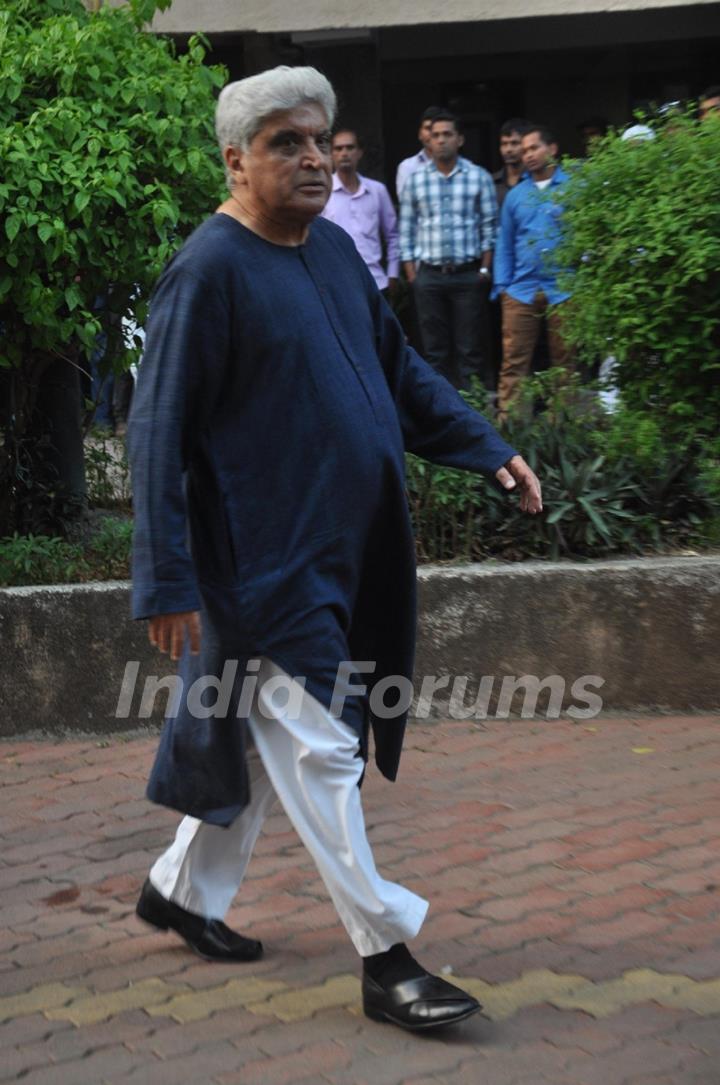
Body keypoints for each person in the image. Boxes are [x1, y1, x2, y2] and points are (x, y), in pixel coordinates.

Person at [128, 65, 542, 1035]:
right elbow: (156, 431)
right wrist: (165, 578)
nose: (313, 157)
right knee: (321, 749)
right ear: (236, 160)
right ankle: (386, 956)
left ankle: (178, 889)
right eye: (285, 142)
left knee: (279, 747)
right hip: (262, 565)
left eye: (320, 138)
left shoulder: (329, 256)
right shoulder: (209, 269)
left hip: (348, 551)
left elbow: (401, 376)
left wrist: (491, 448)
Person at [399, 111, 497, 391]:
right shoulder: (416, 180)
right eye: (436, 135)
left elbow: (490, 228)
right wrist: (413, 276)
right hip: (429, 277)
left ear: (460, 139)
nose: (441, 140)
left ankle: (473, 412)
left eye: (447, 134)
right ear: (429, 140)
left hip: (468, 276)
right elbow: (407, 229)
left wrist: (484, 269)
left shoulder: (479, 177)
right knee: (434, 351)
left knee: (470, 349)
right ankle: (440, 414)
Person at [493, 124, 575, 418]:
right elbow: (503, 243)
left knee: (566, 363)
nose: (527, 155)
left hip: (565, 290)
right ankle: (510, 427)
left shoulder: (574, 187)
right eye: (524, 150)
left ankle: (561, 429)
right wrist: (503, 287)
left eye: (533, 148)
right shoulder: (516, 195)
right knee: (514, 363)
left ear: (552, 149)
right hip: (521, 290)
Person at [321, 128, 399, 296]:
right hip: (337, 284)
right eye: (338, 148)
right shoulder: (323, 193)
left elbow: (392, 235)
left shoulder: (377, 191)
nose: (344, 153)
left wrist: (393, 274)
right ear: (331, 154)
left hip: (377, 282)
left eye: (350, 148)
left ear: (360, 152)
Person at [395, 105, 442, 200]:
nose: (433, 133)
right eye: (428, 128)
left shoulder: (463, 168)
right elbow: (407, 206)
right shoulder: (407, 167)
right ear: (420, 134)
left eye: (438, 129)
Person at [493, 118, 531, 208]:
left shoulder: (536, 179)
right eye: (504, 144)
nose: (508, 149)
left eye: (514, 143)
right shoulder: (491, 182)